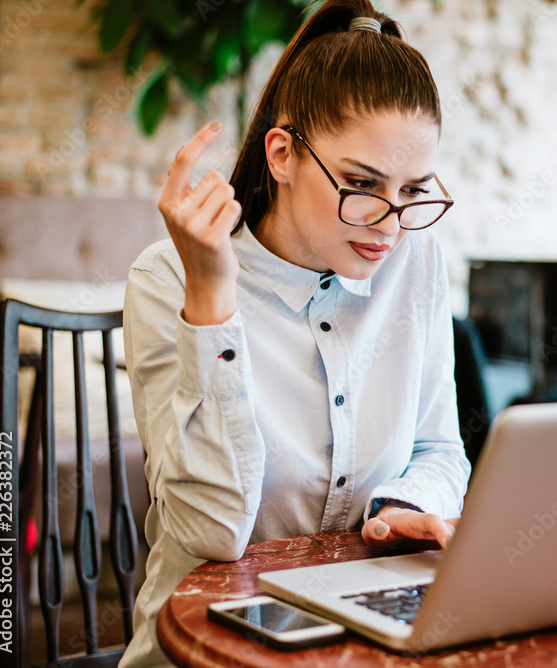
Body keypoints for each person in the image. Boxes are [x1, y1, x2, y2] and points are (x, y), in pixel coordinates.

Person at [119, 1, 470, 664]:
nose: (390, 224)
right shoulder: (168, 278)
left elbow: (439, 449)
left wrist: (403, 507)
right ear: (282, 154)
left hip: (357, 638)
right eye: (362, 184)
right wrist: (212, 301)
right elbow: (210, 532)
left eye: (414, 190)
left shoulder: (415, 263)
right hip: (206, 644)